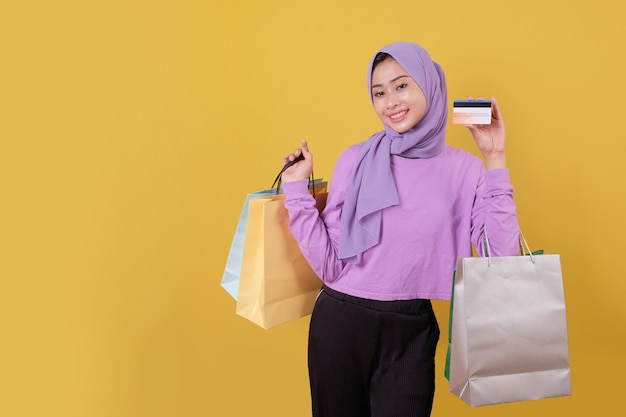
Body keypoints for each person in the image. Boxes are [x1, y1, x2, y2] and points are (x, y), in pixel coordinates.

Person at [280, 41, 519, 417]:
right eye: (379, 92)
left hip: (412, 330)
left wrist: (495, 159)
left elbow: (503, 260)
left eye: (401, 85)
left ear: (429, 84)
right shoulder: (356, 159)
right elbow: (329, 266)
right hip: (341, 322)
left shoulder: (466, 168)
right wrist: (296, 191)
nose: (390, 101)